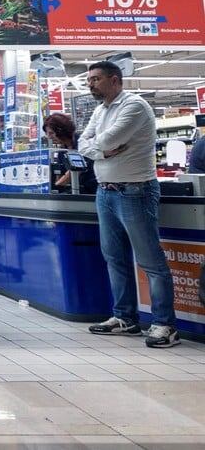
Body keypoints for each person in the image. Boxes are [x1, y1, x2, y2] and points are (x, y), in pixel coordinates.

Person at [78, 61, 178, 348]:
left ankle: (164, 325)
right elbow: (83, 143)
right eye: (89, 80)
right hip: (105, 192)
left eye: (95, 79)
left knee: (151, 262)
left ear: (114, 80)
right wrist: (103, 153)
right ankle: (125, 318)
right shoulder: (100, 110)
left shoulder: (134, 106)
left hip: (136, 192)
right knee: (114, 258)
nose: (90, 84)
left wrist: (100, 147)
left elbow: (110, 139)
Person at [43, 113, 97, 194]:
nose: (49, 137)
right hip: (77, 191)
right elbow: (60, 176)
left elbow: (71, 175)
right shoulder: (62, 151)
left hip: (92, 192)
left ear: (62, 130)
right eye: (47, 133)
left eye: (51, 133)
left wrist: (52, 188)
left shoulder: (82, 144)